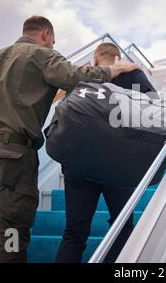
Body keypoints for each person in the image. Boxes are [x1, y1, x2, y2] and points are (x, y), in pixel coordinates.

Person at [0, 16, 140, 263]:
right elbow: (76, 76)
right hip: (12, 158)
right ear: (45, 34)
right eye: (53, 41)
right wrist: (115, 69)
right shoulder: (42, 55)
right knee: (13, 235)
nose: (53, 46)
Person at [55, 43, 156, 263]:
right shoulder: (133, 75)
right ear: (118, 58)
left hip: (78, 166)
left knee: (74, 233)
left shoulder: (83, 78)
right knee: (121, 227)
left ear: (95, 59)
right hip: (118, 165)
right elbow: (154, 108)